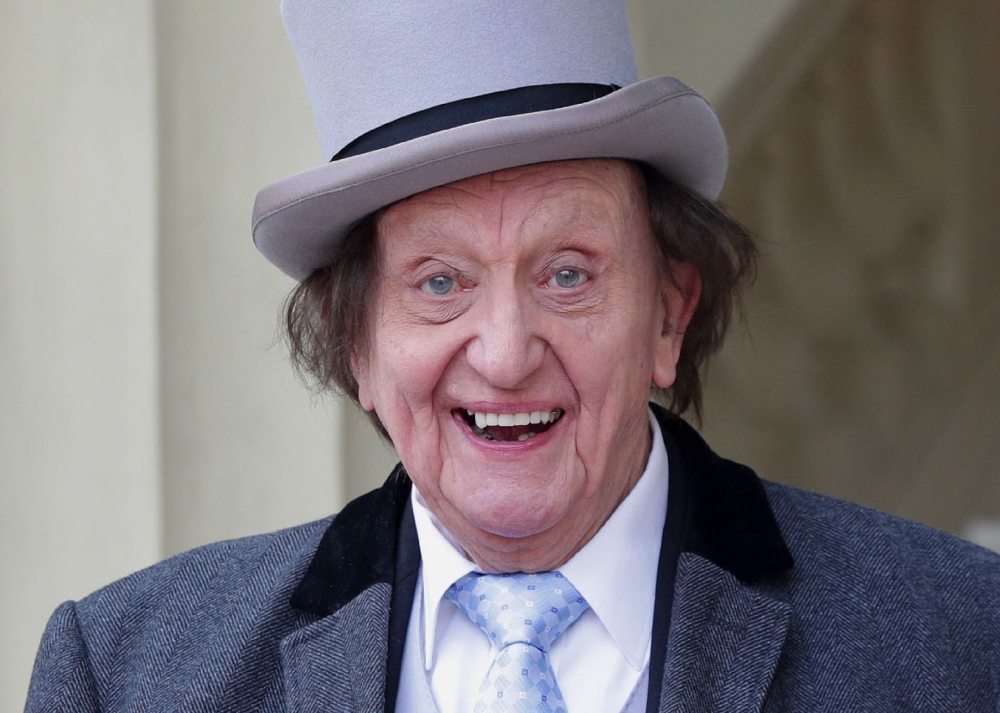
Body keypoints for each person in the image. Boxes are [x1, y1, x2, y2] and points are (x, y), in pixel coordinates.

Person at [25, 0, 1000, 711]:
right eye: (439, 280)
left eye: (567, 273)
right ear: (356, 345)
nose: (502, 352)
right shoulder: (127, 670)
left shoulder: (959, 643)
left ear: (668, 311)